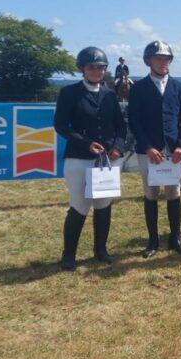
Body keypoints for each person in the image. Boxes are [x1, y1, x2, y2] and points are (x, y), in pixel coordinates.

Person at [53, 47, 127, 270]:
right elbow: (61, 125)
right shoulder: (69, 93)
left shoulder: (110, 95)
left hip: (106, 160)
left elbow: (120, 127)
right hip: (79, 158)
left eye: (101, 67)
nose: (97, 71)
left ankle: (101, 250)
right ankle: (69, 254)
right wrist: (86, 143)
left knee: (103, 204)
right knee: (79, 205)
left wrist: (118, 147)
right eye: (92, 67)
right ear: (83, 69)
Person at [127, 40, 181, 257]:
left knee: (173, 193)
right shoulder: (138, 88)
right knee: (151, 193)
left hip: (174, 150)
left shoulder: (178, 87)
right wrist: (147, 147)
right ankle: (153, 240)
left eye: (166, 58)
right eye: (158, 58)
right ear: (149, 61)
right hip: (149, 151)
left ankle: (175, 238)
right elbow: (134, 121)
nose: (163, 62)